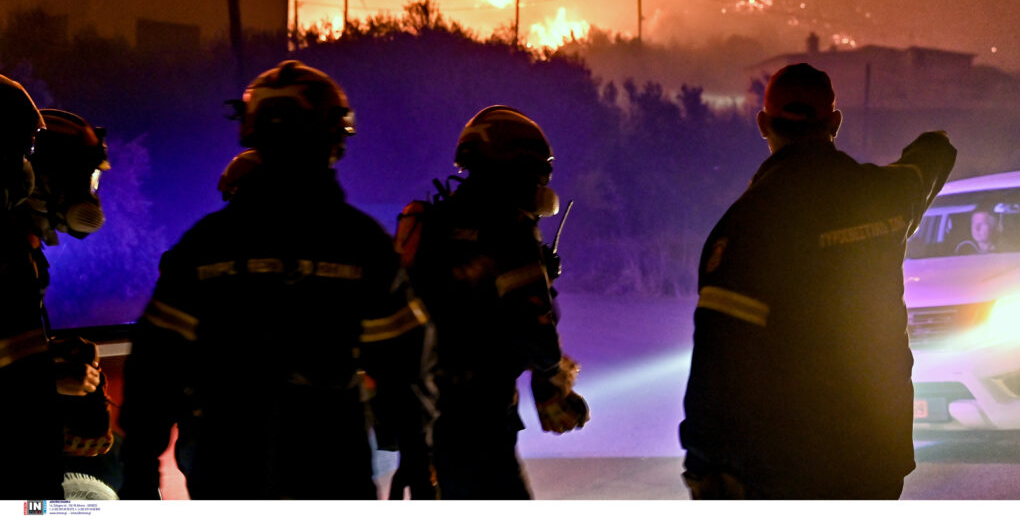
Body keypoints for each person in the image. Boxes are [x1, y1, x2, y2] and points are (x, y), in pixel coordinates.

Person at [118, 60, 436, 499]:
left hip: (227, 462)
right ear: (332, 138)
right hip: (330, 462)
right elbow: (405, 367)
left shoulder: (204, 246)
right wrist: (418, 462)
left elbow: (155, 367)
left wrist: (138, 474)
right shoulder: (361, 243)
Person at [678, 63, 957, 500]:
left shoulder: (747, 222)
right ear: (835, 122)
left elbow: (719, 355)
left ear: (764, 124)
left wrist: (704, 461)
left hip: (788, 460)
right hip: (876, 451)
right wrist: (936, 140)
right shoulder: (885, 195)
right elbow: (927, 167)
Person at [395, 105, 589, 499]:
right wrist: (555, 381)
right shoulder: (511, 233)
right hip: (480, 425)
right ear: (516, 169)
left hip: (422, 424)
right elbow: (537, 341)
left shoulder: (432, 223)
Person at [0, 90, 112, 498]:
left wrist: (51, 354)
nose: (90, 194)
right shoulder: (8, 256)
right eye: (84, 179)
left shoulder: (23, 253)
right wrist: (51, 380)